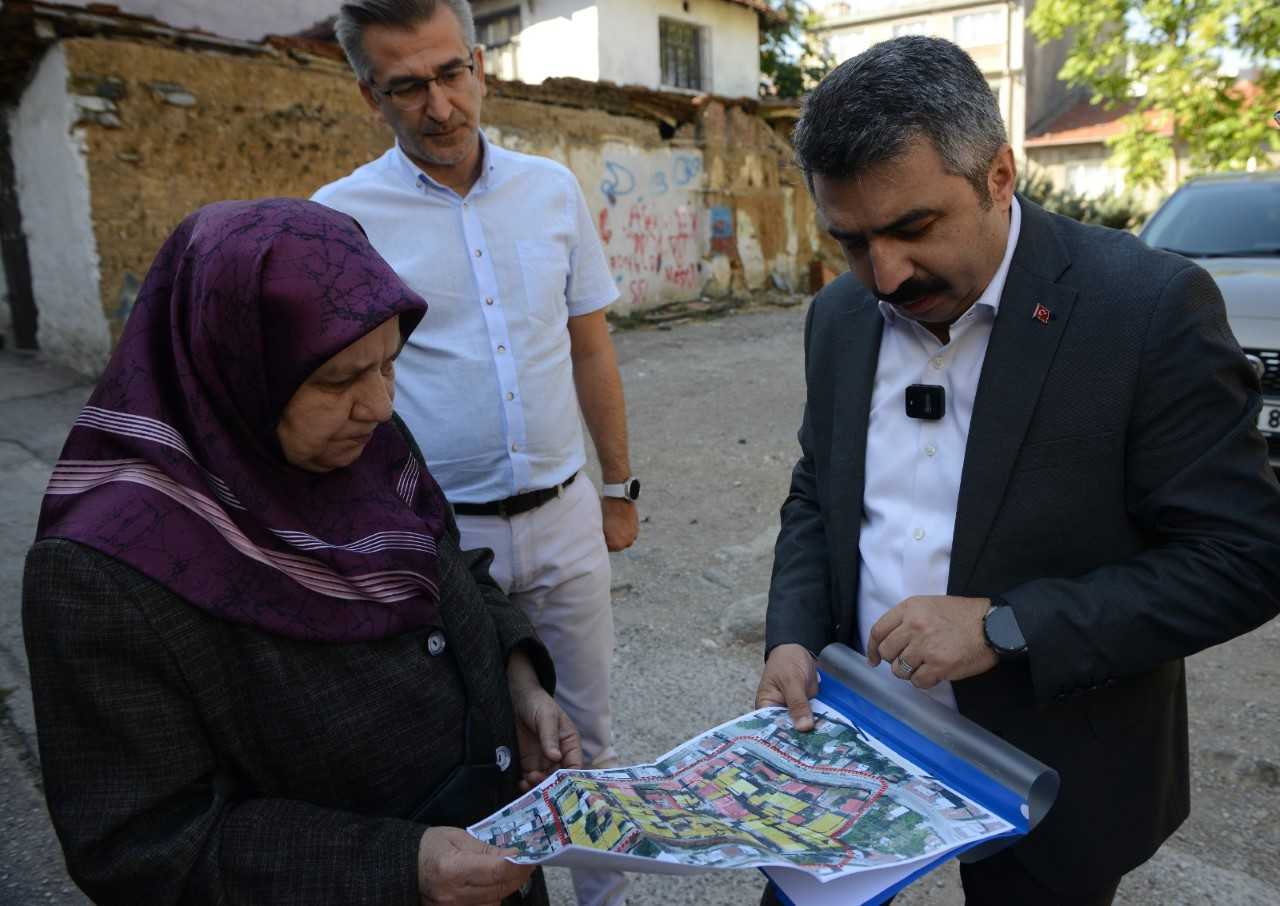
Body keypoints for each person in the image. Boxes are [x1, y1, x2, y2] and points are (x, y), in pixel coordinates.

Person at [755, 36, 1280, 906]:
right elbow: (818, 494)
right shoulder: (840, 316)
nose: (883, 275)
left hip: (1046, 769)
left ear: (999, 176)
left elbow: (1244, 557)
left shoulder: (1146, 309)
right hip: (853, 746)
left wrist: (1007, 627)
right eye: (850, 240)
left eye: (913, 228)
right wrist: (791, 636)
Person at [23, 198, 582, 906]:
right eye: (339, 379)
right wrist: (398, 868)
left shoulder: (371, 449)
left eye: (389, 364)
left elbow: (447, 568)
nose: (379, 405)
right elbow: (141, 847)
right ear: (232, 364)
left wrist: (518, 683)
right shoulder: (105, 572)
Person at [314, 4, 636, 903]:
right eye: (407, 86)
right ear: (368, 93)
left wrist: (619, 486)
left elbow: (590, 348)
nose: (440, 105)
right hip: (438, 547)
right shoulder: (339, 220)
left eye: (451, 73)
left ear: (481, 65)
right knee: (471, 758)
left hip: (566, 514)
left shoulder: (551, 190)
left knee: (589, 742)